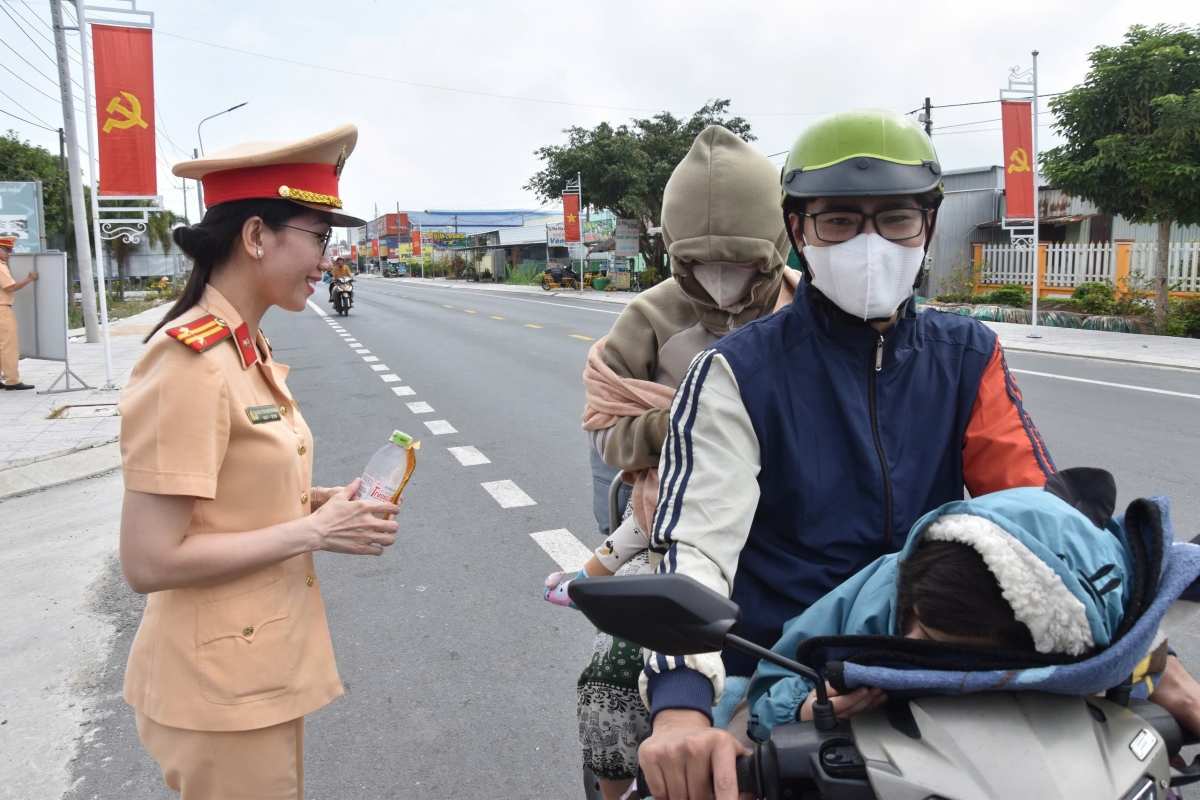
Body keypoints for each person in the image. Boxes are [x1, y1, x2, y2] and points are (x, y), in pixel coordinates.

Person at [635, 109, 1061, 800]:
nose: (871, 242)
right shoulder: (737, 372)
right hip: (777, 661)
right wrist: (681, 704)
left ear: (927, 226)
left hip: (941, 653)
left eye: (895, 218)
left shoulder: (968, 355)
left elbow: (1038, 519)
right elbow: (697, 548)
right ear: (798, 231)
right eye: (838, 220)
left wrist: (1149, 659)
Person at [117, 124, 400, 800]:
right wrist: (316, 532)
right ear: (255, 237)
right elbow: (148, 562)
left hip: (251, 667)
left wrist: (320, 502)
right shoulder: (191, 363)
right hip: (215, 688)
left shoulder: (247, 348)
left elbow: (227, 501)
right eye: (320, 237)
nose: (328, 259)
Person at [543, 125, 797, 800]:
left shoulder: (809, 314)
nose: (719, 278)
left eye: (737, 261)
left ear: (774, 248)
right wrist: (701, 422)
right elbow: (608, 428)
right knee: (608, 686)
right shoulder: (650, 318)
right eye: (699, 262)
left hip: (793, 541)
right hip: (671, 540)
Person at [747, 469, 1200, 743]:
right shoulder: (876, 598)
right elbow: (766, 689)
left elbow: (1140, 661)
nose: (909, 641)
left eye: (933, 644)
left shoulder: (1094, 625)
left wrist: (1158, 673)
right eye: (917, 627)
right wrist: (804, 709)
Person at [0, 235, 38, 390]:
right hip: (2, 309)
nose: (9, 253)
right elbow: (10, 287)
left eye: (11, 250)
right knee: (9, 347)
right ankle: (13, 381)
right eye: (6, 250)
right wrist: (29, 279)